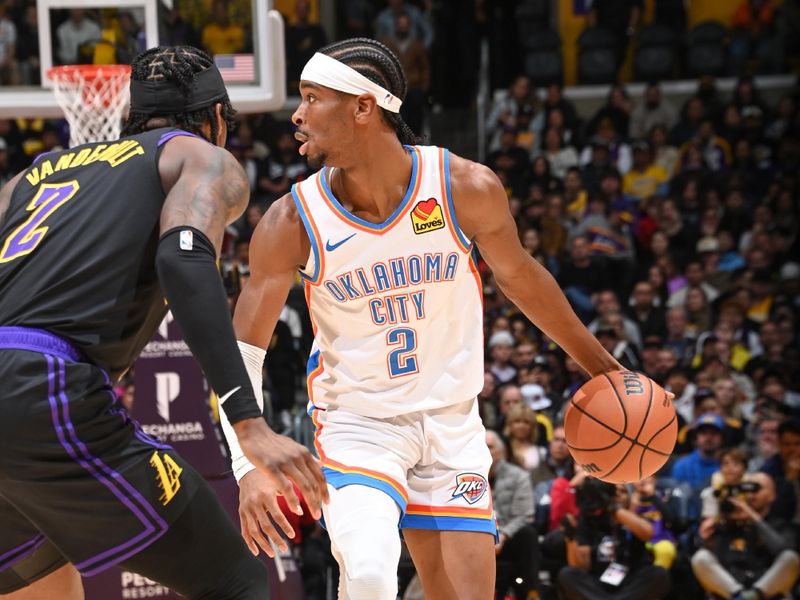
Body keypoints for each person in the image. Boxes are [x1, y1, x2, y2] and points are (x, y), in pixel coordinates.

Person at [231, 38, 623, 600]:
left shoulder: (464, 187)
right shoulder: (291, 219)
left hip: (451, 422)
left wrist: (602, 368)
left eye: (312, 98)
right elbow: (243, 351)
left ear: (363, 106)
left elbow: (520, 278)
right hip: (357, 426)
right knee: (367, 572)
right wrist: (246, 466)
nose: (296, 114)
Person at [0, 46, 327, 598]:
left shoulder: (29, 179)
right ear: (216, 117)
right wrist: (246, 420)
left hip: (21, 393)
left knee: (44, 581)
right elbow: (181, 257)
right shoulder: (199, 158)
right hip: (43, 390)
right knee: (236, 579)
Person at [692, 472, 800, 600]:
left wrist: (753, 517)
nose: (750, 494)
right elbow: (707, 557)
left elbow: (781, 549)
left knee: (791, 557)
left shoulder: (780, 524)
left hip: (767, 594)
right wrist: (707, 536)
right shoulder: (729, 523)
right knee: (701, 557)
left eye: (756, 488)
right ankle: (740, 596)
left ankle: (751, 596)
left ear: (772, 495)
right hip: (730, 592)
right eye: (746, 489)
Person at [486, 430, 539, 600]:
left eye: (490, 447)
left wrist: (503, 535)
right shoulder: (465, 478)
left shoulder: (519, 476)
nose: (485, 451)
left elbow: (525, 515)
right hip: (478, 535)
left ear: (501, 451)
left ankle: (531, 593)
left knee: (528, 534)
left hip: (508, 539)